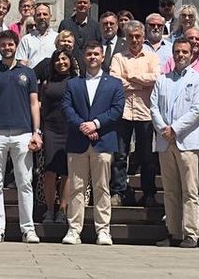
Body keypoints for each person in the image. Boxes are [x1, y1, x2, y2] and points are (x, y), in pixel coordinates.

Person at [0, 30, 42, 243]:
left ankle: (28, 229)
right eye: (3, 45)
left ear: (16, 46)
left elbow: (35, 104)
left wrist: (36, 132)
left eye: (10, 44)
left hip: (23, 133)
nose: (7, 48)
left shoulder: (28, 73)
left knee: (25, 182)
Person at [61, 40, 125, 246]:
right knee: (77, 187)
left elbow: (117, 110)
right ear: (84, 57)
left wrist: (95, 124)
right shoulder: (73, 83)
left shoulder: (114, 83)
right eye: (89, 54)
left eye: (96, 54)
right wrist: (83, 126)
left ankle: (103, 230)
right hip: (78, 141)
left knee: (102, 187)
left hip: (103, 141)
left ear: (103, 57)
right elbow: (67, 108)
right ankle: (74, 229)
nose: (93, 58)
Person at [150, 39, 199, 248]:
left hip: (187, 141)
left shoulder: (198, 80)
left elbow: (197, 110)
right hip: (165, 141)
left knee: (190, 190)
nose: (180, 55)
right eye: (177, 51)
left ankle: (191, 233)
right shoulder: (162, 80)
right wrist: (163, 128)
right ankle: (174, 231)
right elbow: (153, 107)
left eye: (184, 51)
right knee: (171, 190)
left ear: (191, 54)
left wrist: (174, 128)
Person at [110, 20, 159, 209]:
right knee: (120, 155)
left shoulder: (152, 57)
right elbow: (115, 82)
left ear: (143, 37)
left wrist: (130, 77)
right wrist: (141, 84)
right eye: (131, 37)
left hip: (145, 112)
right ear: (126, 38)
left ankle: (149, 194)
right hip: (123, 112)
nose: (135, 40)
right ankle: (119, 192)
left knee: (146, 156)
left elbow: (156, 78)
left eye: (138, 36)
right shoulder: (118, 57)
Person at [38, 48, 76, 224]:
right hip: (51, 129)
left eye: (64, 59)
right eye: (58, 59)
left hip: (70, 129)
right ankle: (49, 209)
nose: (61, 62)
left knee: (67, 172)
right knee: (50, 171)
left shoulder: (77, 82)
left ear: (71, 61)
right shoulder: (46, 83)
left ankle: (63, 209)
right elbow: (42, 108)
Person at [16, 2, 56, 68]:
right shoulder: (26, 40)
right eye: (38, 15)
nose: (42, 17)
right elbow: (21, 65)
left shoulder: (57, 38)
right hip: (32, 77)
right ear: (34, 18)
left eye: (45, 14)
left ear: (50, 17)